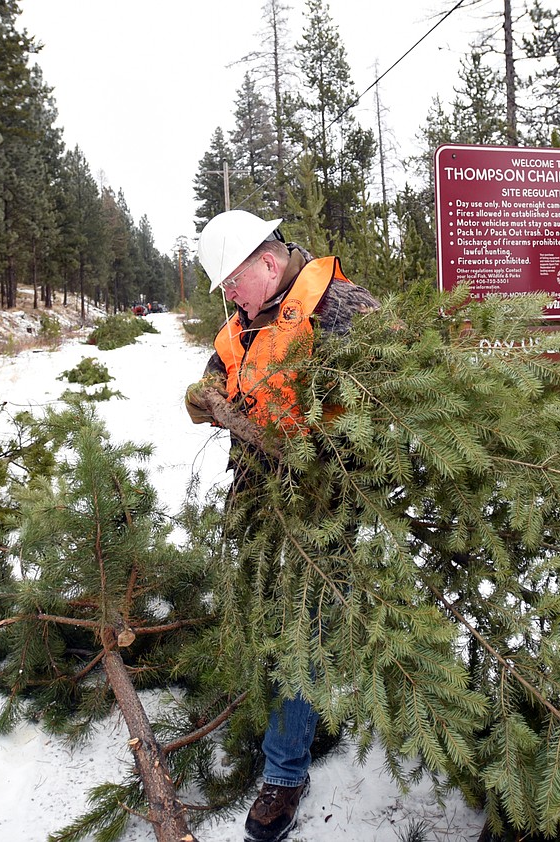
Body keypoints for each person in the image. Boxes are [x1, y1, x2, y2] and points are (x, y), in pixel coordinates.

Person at [186, 209, 379, 842]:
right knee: (271, 622)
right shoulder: (246, 319)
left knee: (302, 631)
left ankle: (284, 771)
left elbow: (396, 394)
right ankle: (304, 714)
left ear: (268, 263)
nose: (228, 298)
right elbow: (222, 371)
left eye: (232, 284)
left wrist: (329, 456)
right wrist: (205, 395)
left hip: (318, 510)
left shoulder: (340, 309)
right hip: (255, 503)